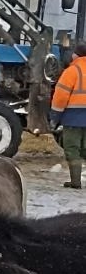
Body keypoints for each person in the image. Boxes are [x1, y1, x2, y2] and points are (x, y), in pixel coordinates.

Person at [50, 41, 86, 189]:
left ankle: (76, 181)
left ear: (75, 55)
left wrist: (54, 117)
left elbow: (60, 97)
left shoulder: (72, 71)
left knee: (72, 149)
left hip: (73, 118)